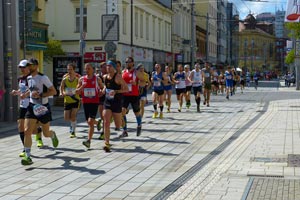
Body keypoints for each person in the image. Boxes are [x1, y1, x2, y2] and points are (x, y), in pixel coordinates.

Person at [21, 58, 59, 165]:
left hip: (43, 108)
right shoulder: (28, 78)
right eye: (28, 65)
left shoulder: (43, 78)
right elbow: (31, 89)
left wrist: (41, 95)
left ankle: (52, 135)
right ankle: (28, 156)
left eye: (31, 65)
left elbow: (54, 91)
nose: (29, 67)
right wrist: (26, 94)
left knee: (46, 133)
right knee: (27, 131)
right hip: (32, 106)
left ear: (36, 66)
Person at [11, 59, 43, 157]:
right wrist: (17, 92)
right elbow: (22, 90)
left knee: (30, 130)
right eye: (20, 67)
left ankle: (38, 132)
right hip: (23, 105)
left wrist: (27, 94)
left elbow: (36, 90)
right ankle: (25, 149)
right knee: (20, 125)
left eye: (23, 67)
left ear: (29, 67)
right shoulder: (20, 78)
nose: (22, 69)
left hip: (32, 104)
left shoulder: (33, 78)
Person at [102, 60, 128, 152]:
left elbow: (126, 89)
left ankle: (121, 118)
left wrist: (116, 91)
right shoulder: (104, 77)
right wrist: (104, 90)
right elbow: (106, 86)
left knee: (118, 125)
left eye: (110, 66)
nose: (108, 68)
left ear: (114, 68)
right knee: (106, 122)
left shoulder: (118, 77)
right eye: (107, 66)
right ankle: (107, 143)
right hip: (107, 101)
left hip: (117, 102)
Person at [76, 63, 104, 149]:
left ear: (93, 69)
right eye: (86, 69)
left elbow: (103, 88)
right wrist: (82, 87)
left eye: (89, 68)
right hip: (85, 102)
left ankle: (88, 141)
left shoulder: (97, 79)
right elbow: (77, 91)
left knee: (90, 121)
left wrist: (101, 92)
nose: (87, 70)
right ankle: (98, 122)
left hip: (94, 102)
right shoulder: (82, 79)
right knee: (89, 122)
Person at [120, 56, 144, 137]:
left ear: (133, 63)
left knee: (136, 112)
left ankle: (139, 125)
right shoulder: (123, 72)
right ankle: (125, 130)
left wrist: (136, 83)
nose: (128, 63)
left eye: (129, 61)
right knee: (122, 112)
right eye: (126, 62)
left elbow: (144, 82)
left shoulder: (136, 72)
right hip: (125, 95)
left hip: (134, 95)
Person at [59, 63, 80, 138]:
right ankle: (72, 124)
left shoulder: (78, 79)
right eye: (68, 69)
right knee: (66, 118)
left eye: (71, 69)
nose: (69, 71)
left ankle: (73, 131)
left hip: (75, 100)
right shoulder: (65, 78)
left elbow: (81, 88)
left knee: (73, 116)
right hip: (67, 100)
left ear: (74, 70)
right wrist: (62, 93)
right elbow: (61, 87)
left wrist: (78, 91)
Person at [96, 62, 107, 140]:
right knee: (103, 116)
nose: (105, 68)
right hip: (100, 98)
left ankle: (104, 132)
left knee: (106, 116)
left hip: (108, 98)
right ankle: (103, 131)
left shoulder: (110, 76)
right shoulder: (97, 77)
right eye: (103, 67)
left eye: (106, 67)